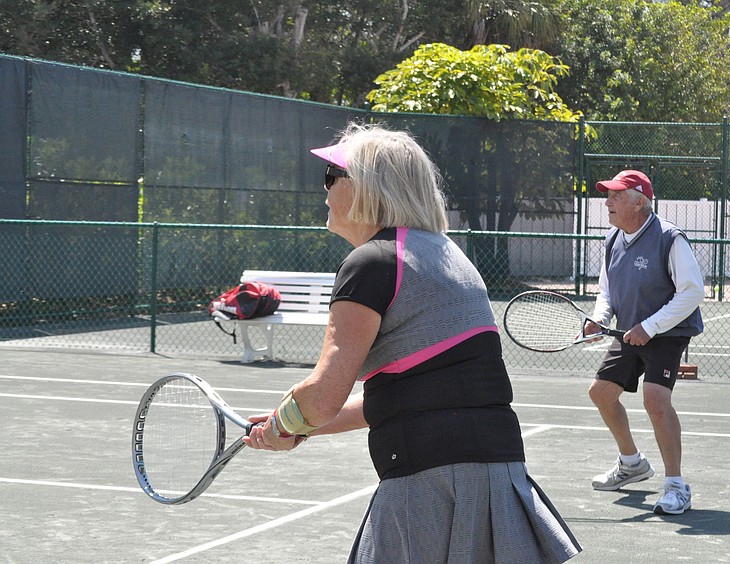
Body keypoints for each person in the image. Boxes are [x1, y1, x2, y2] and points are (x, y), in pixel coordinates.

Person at [243, 122, 582, 562]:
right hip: (497, 473)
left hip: (428, 481)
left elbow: (323, 395)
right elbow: (410, 394)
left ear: (368, 187)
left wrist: (288, 424)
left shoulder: (371, 262)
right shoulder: (449, 257)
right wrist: (296, 425)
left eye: (332, 176)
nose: (324, 189)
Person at [586, 169, 704, 515]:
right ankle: (632, 463)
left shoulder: (670, 238)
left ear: (639, 203)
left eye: (616, 196)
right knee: (601, 393)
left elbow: (692, 291)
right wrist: (600, 317)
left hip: (668, 332)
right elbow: (607, 290)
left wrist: (650, 327)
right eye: (608, 195)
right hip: (631, 331)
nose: (608, 202)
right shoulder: (612, 239)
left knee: (655, 399)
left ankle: (676, 486)